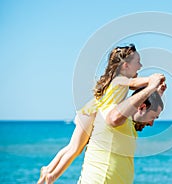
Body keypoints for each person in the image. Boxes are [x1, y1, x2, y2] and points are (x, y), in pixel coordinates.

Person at [37, 44, 160, 184]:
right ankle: (50, 177)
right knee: (75, 149)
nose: (140, 66)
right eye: (137, 62)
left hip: (93, 111)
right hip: (93, 111)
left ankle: (49, 170)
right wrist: (152, 79)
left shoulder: (119, 80)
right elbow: (135, 83)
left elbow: (135, 89)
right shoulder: (120, 79)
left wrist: (157, 88)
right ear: (125, 65)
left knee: (72, 147)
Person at [77, 76, 166, 184]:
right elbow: (116, 117)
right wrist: (151, 87)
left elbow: (144, 107)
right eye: (152, 118)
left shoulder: (129, 126)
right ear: (141, 107)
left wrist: (156, 93)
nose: (151, 124)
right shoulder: (120, 116)